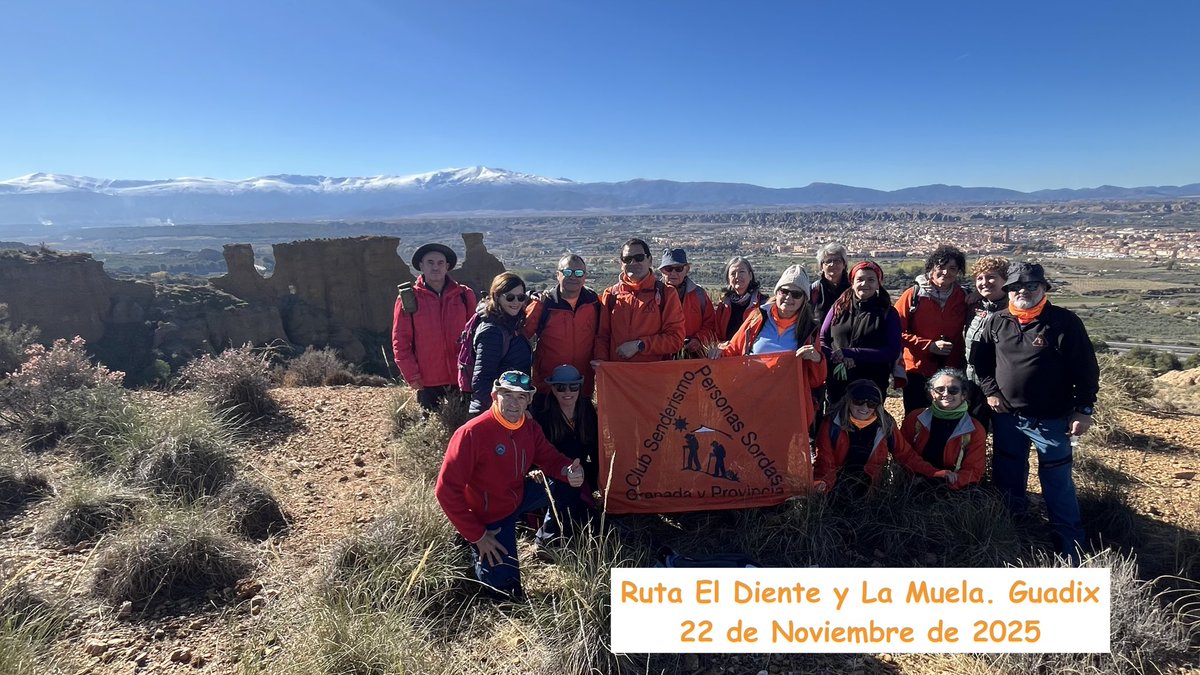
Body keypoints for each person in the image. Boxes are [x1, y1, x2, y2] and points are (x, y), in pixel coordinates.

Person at [971, 262, 1098, 562]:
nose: (1023, 292)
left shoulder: (1064, 322)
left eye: (1031, 286)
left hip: (1052, 419)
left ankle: (1070, 546)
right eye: (1016, 288)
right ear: (1009, 291)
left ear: (1043, 288)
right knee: (1009, 475)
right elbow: (981, 363)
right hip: (1008, 417)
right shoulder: (997, 321)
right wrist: (990, 392)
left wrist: (1084, 409)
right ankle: (1011, 530)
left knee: (1057, 481)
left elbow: (1086, 368)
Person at [435, 371, 584, 599]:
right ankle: (470, 543)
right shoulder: (471, 433)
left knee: (562, 484)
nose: (514, 403)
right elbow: (446, 491)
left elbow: (550, 459)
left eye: (521, 397)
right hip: (489, 516)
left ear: (529, 401)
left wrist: (569, 471)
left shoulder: (529, 428)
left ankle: (548, 538)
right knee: (507, 594)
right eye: (508, 395)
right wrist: (478, 535)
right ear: (495, 396)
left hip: (518, 495)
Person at [717, 265, 827, 431]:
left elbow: (817, 379)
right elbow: (734, 349)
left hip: (785, 406)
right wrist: (717, 352)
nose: (789, 297)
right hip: (751, 398)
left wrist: (817, 359)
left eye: (796, 294)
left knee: (777, 454)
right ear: (777, 292)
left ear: (804, 299)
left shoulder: (809, 329)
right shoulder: (757, 317)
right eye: (784, 291)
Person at [392, 242, 476, 411]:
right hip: (428, 381)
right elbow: (400, 341)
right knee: (430, 428)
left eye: (440, 263)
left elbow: (476, 335)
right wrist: (412, 375)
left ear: (447, 266)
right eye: (430, 262)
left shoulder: (464, 295)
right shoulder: (408, 298)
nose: (435, 267)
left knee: (465, 428)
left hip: (463, 376)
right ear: (421, 266)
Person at [812, 379, 929, 495]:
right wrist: (823, 483)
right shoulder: (832, 423)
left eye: (871, 404)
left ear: (878, 405)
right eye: (858, 401)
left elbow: (906, 455)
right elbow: (824, 459)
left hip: (871, 492)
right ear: (848, 400)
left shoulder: (885, 425)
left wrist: (934, 473)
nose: (864, 408)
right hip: (836, 489)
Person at [894, 245, 969, 415]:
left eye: (952, 268)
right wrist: (929, 346)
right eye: (941, 267)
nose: (945, 273)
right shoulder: (913, 296)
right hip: (917, 369)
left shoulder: (963, 297)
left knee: (949, 415)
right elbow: (895, 332)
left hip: (951, 368)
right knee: (916, 415)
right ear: (932, 267)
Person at [820, 260, 901, 408]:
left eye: (871, 280)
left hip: (871, 384)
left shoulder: (887, 313)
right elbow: (822, 339)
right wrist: (837, 356)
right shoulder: (838, 307)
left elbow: (891, 351)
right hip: (837, 383)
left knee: (865, 425)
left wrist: (852, 353)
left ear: (878, 283)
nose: (865, 284)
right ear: (852, 282)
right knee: (836, 425)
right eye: (860, 279)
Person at [594, 238, 685, 362]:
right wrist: (601, 362)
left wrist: (640, 345)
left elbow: (675, 340)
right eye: (627, 259)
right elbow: (602, 337)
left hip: (653, 376)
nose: (633, 263)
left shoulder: (666, 294)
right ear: (621, 264)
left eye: (639, 257)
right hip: (618, 376)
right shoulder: (611, 294)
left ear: (650, 260)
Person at [523, 254, 601, 398]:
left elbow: (602, 335)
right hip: (547, 385)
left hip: (582, 384)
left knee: (581, 419)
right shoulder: (543, 303)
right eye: (567, 272)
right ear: (557, 275)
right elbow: (521, 336)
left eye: (578, 273)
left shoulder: (593, 302)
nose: (573, 277)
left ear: (585, 276)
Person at [899, 368, 986, 490]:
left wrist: (947, 483)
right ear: (932, 393)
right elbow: (904, 454)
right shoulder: (915, 418)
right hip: (916, 481)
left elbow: (974, 469)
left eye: (953, 390)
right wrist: (932, 474)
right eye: (940, 389)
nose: (946, 394)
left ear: (963, 395)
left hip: (956, 488)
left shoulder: (975, 429)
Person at [468, 273, 533, 414]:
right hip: (495, 412)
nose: (516, 302)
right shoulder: (492, 331)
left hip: (510, 408)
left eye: (521, 297)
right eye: (510, 297)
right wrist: (503, 411)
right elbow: (482, 380)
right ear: (497, 297)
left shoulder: (511, 324)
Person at [532, 364, 599, 496]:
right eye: (561, 387)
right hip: (554, 473)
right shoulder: (542, 413)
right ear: (553, 389)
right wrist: (534, 470)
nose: (567, 392)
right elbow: (536, 449)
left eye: (573, 387)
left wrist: (600, 476)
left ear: (579, 388)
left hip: (581, 471)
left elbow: (596, 446)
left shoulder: (587, 408)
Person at [962, 255, 1010, 429]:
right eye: (979, 278)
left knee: (1003, 434)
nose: (984, 282)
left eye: (991, 277)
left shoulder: (1014, 310)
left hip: (1000, 386)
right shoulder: (975, 306)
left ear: (1006, 280)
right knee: (972, 430)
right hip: (970, 381)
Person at [659, 248, 717, 358]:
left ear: (687, 269)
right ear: (662, 271)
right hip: (661, 356)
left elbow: (710, 324)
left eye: (678, 269)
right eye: (668, 269)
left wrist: (698, 340)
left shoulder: (699, 294)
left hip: (693, 356)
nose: (673, 273)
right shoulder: (653, 295)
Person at [713, 256, 767, 342]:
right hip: (727, 353)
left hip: (752, 354)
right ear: (728, 279)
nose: (737, 276)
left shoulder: (763, 304)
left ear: (750, 276)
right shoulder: (724, 304)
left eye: (742, 272)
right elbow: (716, 333)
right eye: (733, 273)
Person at [811, 242, 850, 326]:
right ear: (821, 266)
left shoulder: (853, 289)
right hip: (820, 337)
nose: (833, 264)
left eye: (837, 260)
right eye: (828, 261)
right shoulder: (814, 290)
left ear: (844, 264)